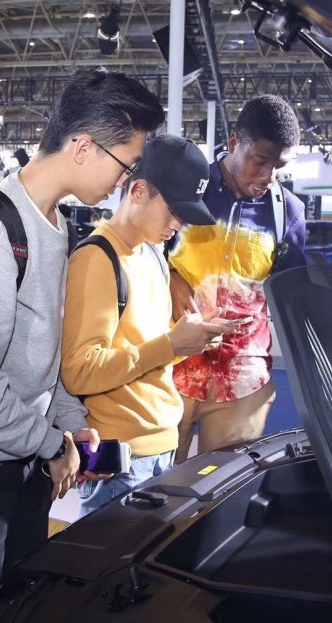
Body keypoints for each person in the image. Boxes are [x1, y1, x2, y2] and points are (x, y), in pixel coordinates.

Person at [0, 66, 165, 623]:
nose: (124, 180)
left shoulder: (57, 225)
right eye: (126, 164)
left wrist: (71, 427)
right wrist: (52, 443)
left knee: (18, 610)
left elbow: (47, 357)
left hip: (29, 461)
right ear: (84, 147)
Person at [61, 134, 237, 516]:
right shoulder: (96, 259)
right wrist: (171, 345)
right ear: (138, 191)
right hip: (120, 463)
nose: (178, 224)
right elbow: (79, 372)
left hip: (162, 449)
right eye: (173, 211)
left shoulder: (154, 254)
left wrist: (190, 339)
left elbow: (148, 352)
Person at [169, 95, 308, 463]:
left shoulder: (288, 213)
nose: (268, 177)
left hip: (243, 381)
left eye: (279, 166)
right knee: (152, 486)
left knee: (223, 488)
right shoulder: (186, 188)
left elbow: (292, 293)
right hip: (168, 366)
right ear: (234, 143)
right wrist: (171, 276)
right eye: (260, 161)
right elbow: (137, 249)